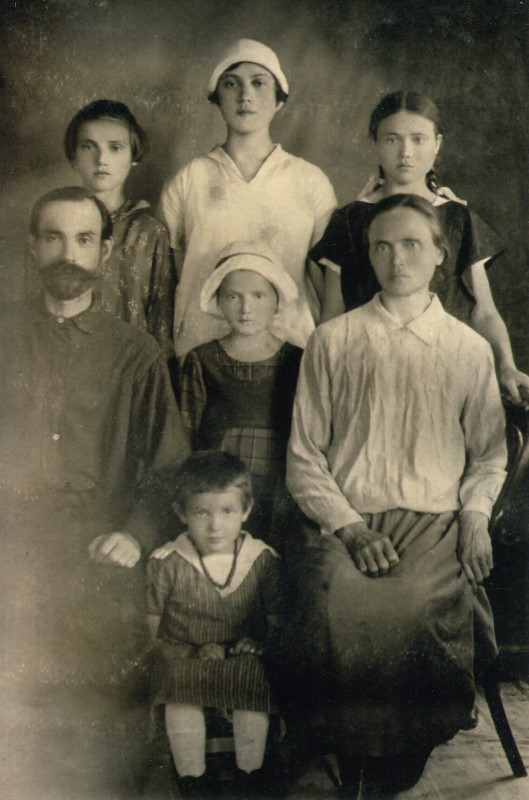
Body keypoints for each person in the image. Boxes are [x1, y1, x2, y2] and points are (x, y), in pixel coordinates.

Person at [286, 194, 507, 798]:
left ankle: (402, 749)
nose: (397, 259)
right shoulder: (333, 341)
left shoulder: (467, 349)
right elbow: (304, 459)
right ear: (367, 256)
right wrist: (351, 528)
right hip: (348, 518)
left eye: (412, 244)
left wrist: (476, 518)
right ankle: (350, 746)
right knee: (329, 600)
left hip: (434, 523)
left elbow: (489, 454)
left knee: (411, 604)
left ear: (440, 255)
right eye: (381, 246)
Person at [0, 186, 189, 798]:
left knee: (108, 703)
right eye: (53, 237)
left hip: (99, 546)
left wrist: (135, 535)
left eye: (84, 239)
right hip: (12, 545)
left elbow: (170, 467)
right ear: (32, 246)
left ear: (105, 252)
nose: (68, 253)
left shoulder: (135, 354)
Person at [311, 90, 529, 403]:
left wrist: (506, 366)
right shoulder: (349, 219)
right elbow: (333, 314)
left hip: (444, 374)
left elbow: (483, 312)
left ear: (437, 144)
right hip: (368, 376)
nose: (406, 153)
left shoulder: (458, 217)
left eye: (418, 139)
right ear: (375, 143)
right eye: (392, 139)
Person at [157, 38, 337, 357]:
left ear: (278, 100)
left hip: (291, 351)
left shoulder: (310, 182)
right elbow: (170, 279)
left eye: (258, 83)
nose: (245, 96)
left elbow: (327, 285)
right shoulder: (189, 181)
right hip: (202, 354)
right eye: (231, 84)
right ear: (217, 98)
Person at [146, 451, 285, 798]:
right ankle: (192, 779)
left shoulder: (262, 559)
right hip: (185, 655)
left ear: (246, 510)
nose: (214, 526)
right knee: (179, 680)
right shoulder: (167, 562)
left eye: (227, 511)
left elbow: (277, 624)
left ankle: (250, 774)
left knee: (253, 675)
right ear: (181, 513)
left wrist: (258, 642)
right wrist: (188, 651)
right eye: (201, 513)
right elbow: (150, 633)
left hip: (240, 657)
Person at [178, 241, 303, 545]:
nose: (246, 309)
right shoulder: (201, 360)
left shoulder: (298, 360)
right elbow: (185, 435)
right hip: (217, 501)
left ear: (277, 299)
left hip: (280, 495)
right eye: (233, 296)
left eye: (258, 296)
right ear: (219, 301)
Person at [63, 99, 176, 359]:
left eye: (115, 148)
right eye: (88, 147)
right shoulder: (56, 225)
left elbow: (161, 323)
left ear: (133, 157)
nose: (101, 159)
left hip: (130, 368)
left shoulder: (150, 233)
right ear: (74, 158)